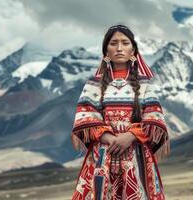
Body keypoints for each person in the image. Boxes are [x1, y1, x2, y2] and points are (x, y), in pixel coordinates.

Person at [71, 24, 170, 200]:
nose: (119, 48)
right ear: (105, 51)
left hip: (136, 155)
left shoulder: (145, 84)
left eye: (125, 43)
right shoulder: (93, 84)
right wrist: (109, 138)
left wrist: (130, 136)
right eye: (113, 43)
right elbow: (85, 118)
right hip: (103, 154)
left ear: (133, 50)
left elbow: (155, 119)